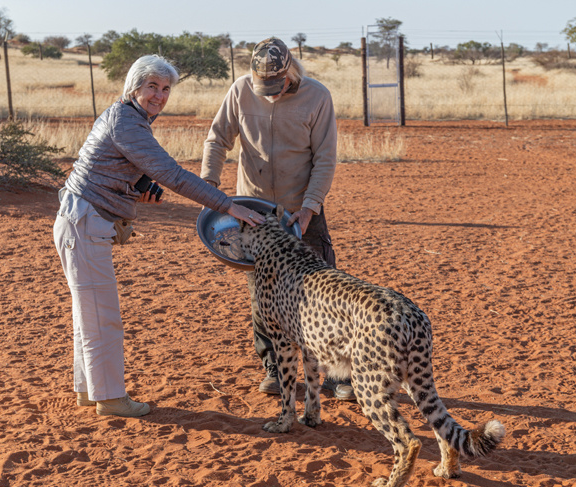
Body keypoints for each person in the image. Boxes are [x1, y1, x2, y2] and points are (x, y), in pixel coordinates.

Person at [54, 55, 265, 418]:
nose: (159, 95)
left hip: (82, 220)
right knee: (101, 315)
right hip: (84, 222)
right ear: (134, 86)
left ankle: (90, 390)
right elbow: (172, 173)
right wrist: (227, 206)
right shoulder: (128, 122)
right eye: (152, 86)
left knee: (89, 313)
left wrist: (137, 184)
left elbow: (112, 165)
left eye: (165, 89)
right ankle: (110, 398)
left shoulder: (125, 117)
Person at [200, 38, 355, 402]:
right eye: (262, 88)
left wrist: (309, 207)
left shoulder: (317, 97)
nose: (269, 94)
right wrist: (208, 184)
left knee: (321, 291)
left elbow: (325, 159)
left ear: (290, 74)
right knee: (262, 293)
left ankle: (332, 374)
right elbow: (217, 139)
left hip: (302, 208)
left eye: (276, 86)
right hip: (252, 211)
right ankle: (274, 368)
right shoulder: (239, 92)